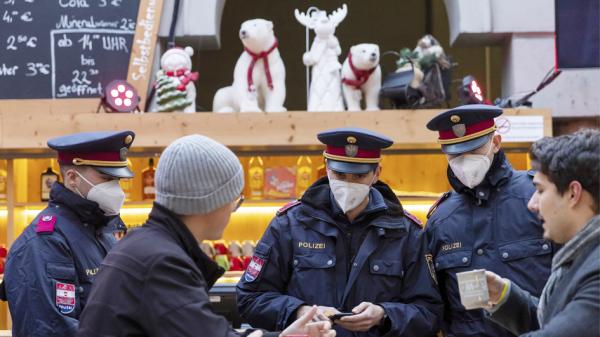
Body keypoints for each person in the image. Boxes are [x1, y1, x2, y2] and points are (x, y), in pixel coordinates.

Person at [77, 134, 336, 337]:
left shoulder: (143, 246)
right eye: (235, 200)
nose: (233, 210)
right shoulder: (163, 262)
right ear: (212, 202)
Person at [237, 127, 443, 337]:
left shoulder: (406, 232)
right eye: (340, 174)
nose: (348, 184)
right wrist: (299, 311)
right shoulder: (290, 224)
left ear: (376, 174)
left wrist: (384, 315)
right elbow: (250, 298)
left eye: (359, 176)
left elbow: (430, 312)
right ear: (326, 167)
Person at [424, 105, 553, 337]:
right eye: (455, 154)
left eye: (474, 149)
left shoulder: (537, 197)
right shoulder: (441, 220)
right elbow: (433, 303)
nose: (465, 160)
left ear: (495, 143)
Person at [3, 131, 135, 337]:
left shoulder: (102, 232)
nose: (116, 188)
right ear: (73, 178)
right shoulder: (45, 242)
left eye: (117, 180)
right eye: (107, 178)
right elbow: (51, 330)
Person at [484, 129, 600, 337]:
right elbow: (556, 322)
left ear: (573, 193)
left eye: (540, 190)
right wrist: (505, 297)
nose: (532, 204)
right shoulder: (582, 257)